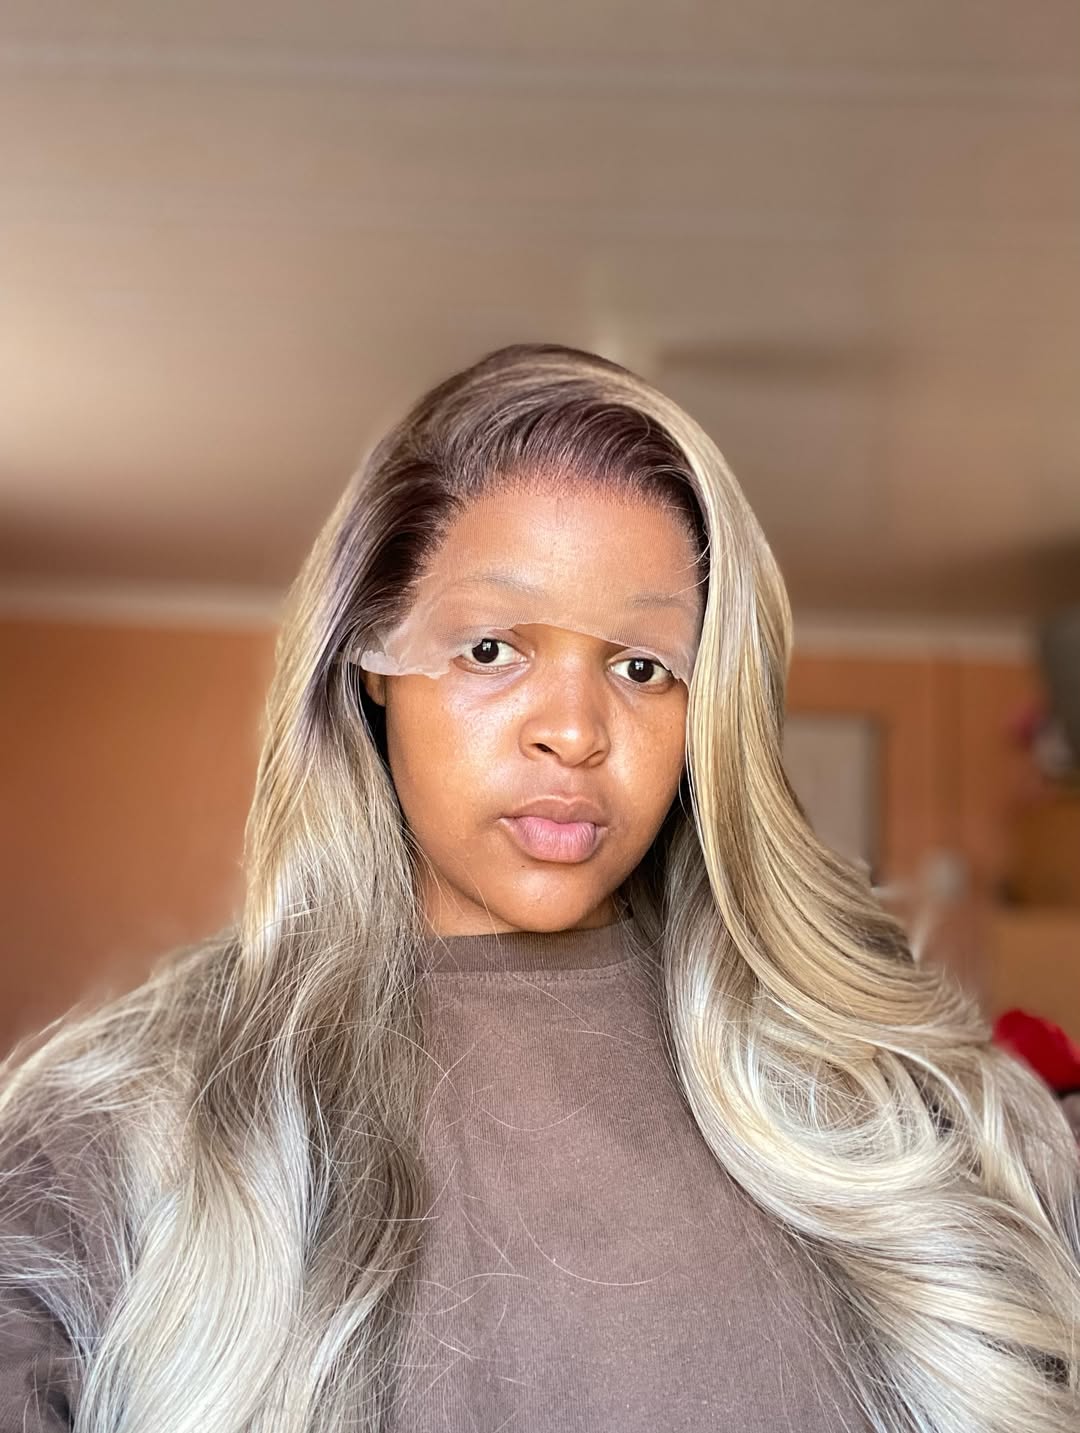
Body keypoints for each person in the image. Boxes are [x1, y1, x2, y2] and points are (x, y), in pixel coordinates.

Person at [1, 343, 1078, 1432]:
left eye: (642, 666)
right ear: (370, 662)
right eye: (490, 649)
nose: (573, 729)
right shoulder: (122, 1126)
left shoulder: (899, 1102)